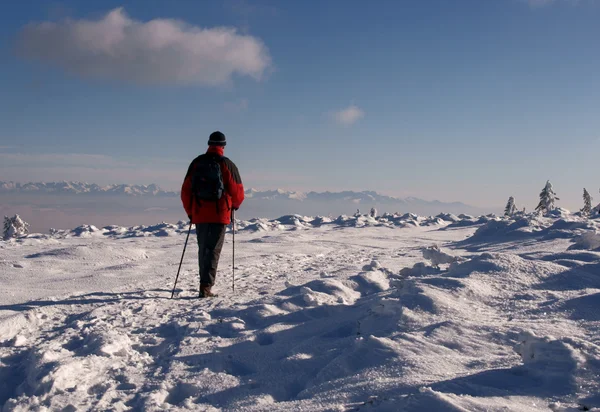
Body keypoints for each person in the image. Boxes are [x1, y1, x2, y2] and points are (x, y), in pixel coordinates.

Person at [181, 131, 244, 297]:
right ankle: (206, 287)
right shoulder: (227, 164)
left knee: (203, 248)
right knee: (213, 250)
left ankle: (204, 283)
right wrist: (234, 207)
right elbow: (237, 191)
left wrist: (191, 212)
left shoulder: (197, 162)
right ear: (223, 146)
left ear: (209, 144)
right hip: (220, 214)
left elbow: (186, 190)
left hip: (200, 213)